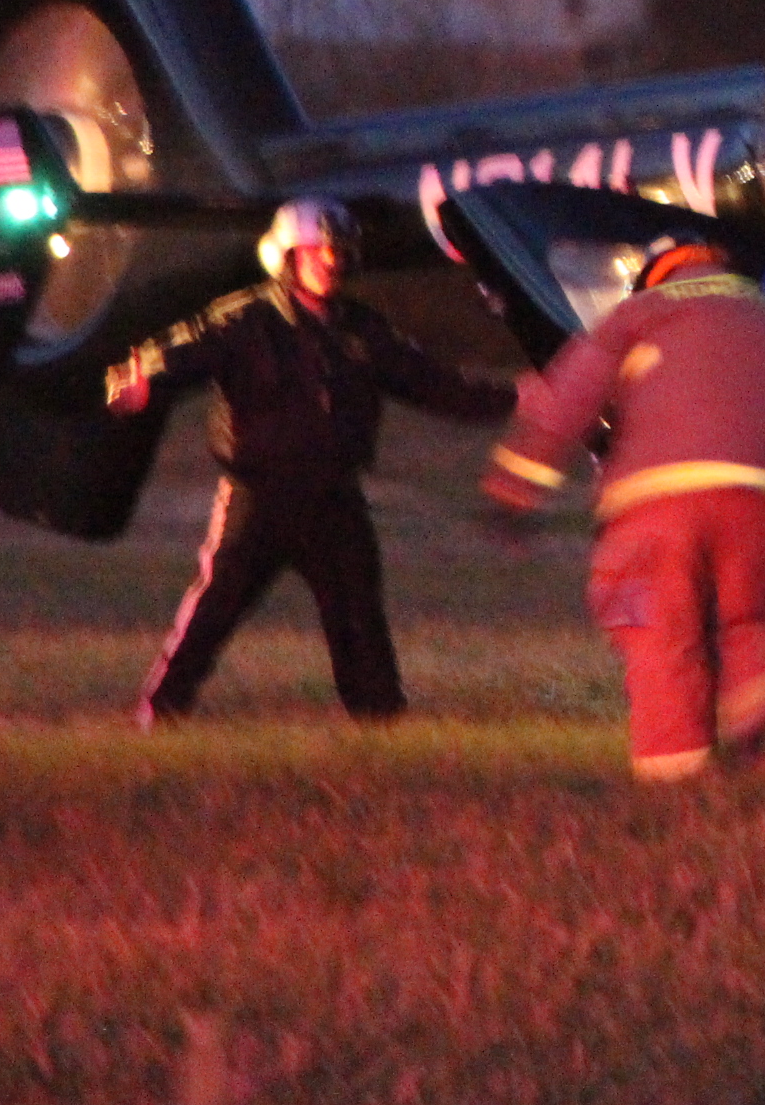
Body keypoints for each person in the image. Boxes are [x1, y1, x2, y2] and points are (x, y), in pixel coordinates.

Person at [107, 196, 517, 724]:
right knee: (213, 611)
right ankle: (159, 714)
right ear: (287, 256)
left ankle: (381, 728)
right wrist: (140, 383)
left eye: (338, 251)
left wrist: (514, 400)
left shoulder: (365, 329)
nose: (330, 261)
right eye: (316, 251)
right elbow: (174, 353)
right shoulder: (244, 319)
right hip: (258, 500)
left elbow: (433, 384)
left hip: (334, 500)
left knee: (359, 621)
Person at [479, 233, 765, 781]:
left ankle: (676, 769)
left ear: (654, 275)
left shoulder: (638, 315)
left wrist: (513, 489)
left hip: (659, 498)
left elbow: (568, 400)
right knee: (745, 616)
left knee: (657, 625)